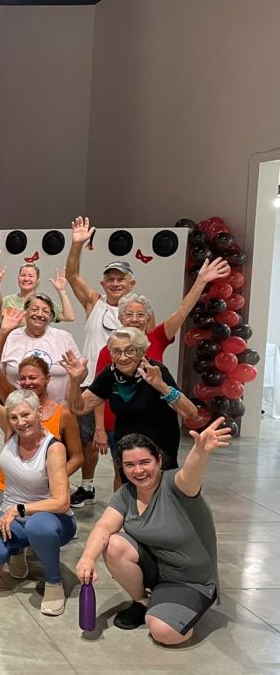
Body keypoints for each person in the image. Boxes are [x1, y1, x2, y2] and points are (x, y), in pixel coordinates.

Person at [75, 421, 228, 645]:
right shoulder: (126, 493)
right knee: (114, 544)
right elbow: (104, 527)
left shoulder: (177, 486)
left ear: (159, 460)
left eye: (144, 462)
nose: (138, 471)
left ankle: (179, 608)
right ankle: (142, 602)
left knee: (164, 633)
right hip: (158, 573)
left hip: (191, 581)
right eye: (129, 465)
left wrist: (200, 452)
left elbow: (190, 473)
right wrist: (88, 558)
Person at [90, 256, 231, 464]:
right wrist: (100, 428)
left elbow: (182, 311)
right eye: (129, 314)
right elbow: (98, 393)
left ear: (148, 318)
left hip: (157, 421)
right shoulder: (109, 350)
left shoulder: (157, 338)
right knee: (123, 473)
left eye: (140, 315)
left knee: (159, 469)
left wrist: (201, 281)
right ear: (120, 318)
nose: (134, 319)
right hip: (119, 421)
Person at [0, 387, 76, 616]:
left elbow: (62, 502)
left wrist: (19, 510)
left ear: (39, 412)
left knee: (38, 526)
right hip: (15, 515)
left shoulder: (54, 448)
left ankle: (54, 581)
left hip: (52, 519)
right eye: (14, 417)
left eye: (26, 414)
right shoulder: (11, 432)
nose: (20, 422)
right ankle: (18, 548)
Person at [0, 328, 83, 522]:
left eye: (33, 378)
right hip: (9, 484)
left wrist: (53, 477)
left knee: (38, 528)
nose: (27, 383)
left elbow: (77, 457)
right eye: (23, 378)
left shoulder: (64, 415)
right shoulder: (13, 403)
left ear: (47, 378)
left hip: (44, 487)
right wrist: (3, 333)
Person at [65, 216, 136, 507]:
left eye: (121, 279)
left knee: (123, 443)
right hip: (91, 386)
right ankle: (87, 486)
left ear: (131, 284)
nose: (115, 283)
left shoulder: (138, 312)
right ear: (103, 283)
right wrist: (77, 245)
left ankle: (126, 496)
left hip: (124, 389)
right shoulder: (95, 303)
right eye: (111, 279)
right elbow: (71, 276)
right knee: (87, 441)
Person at [63, 328, 196, 475]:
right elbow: (79, 408)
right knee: (129, 484)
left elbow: (190, 413)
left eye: (130, 351)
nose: (123, 357)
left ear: (142, 352)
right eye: (116, 351)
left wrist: (162, 386)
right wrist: (75, 381)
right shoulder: (110, 374)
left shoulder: (155, 371)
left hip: (159, 448)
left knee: (159, 486)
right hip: (127, 447)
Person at [0, 301, 79, 406]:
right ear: (25, 313)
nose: (39, 314)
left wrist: (77, 377)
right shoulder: (10, 336)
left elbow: (79, 373)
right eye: (34, 309)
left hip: (59, 407)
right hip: (19, 409)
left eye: (45, 311)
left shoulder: (64, 337)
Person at [0, 261, 76, 322]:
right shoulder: (8, 300)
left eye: (31, 276)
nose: (26, 279)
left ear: (37, 280)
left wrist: (61, 290)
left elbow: (69, 317)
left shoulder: (43, 301)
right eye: (23, 275)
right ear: (18, 278)